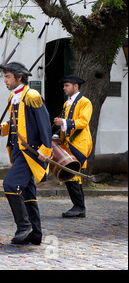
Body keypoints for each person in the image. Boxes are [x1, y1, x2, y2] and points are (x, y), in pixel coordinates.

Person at [0, 62, 52, 245]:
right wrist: (1, 129)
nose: (5, 80)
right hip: (17, 151)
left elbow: (44, 124)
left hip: (30, 152)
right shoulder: (14, 96)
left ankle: (24, 226)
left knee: (10, 184)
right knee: (28, 192)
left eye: (8, 77)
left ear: (19, 78)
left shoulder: (32, 95)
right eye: (5, 76)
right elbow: (16, 124)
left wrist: (46, 149)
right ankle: (35, 233)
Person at [53, 75, 93, 218]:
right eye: (64, 86)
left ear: (75, 86)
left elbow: (83, 122)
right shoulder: (67, 104)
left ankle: (79, 207)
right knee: (72, 175)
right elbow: (65, 124)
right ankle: (79, 207)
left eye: (67, 86)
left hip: (80, 143)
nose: (64, 88)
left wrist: (63, 122)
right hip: (67, 143)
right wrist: (57, 134)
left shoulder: (85, 102)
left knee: (72, 174)